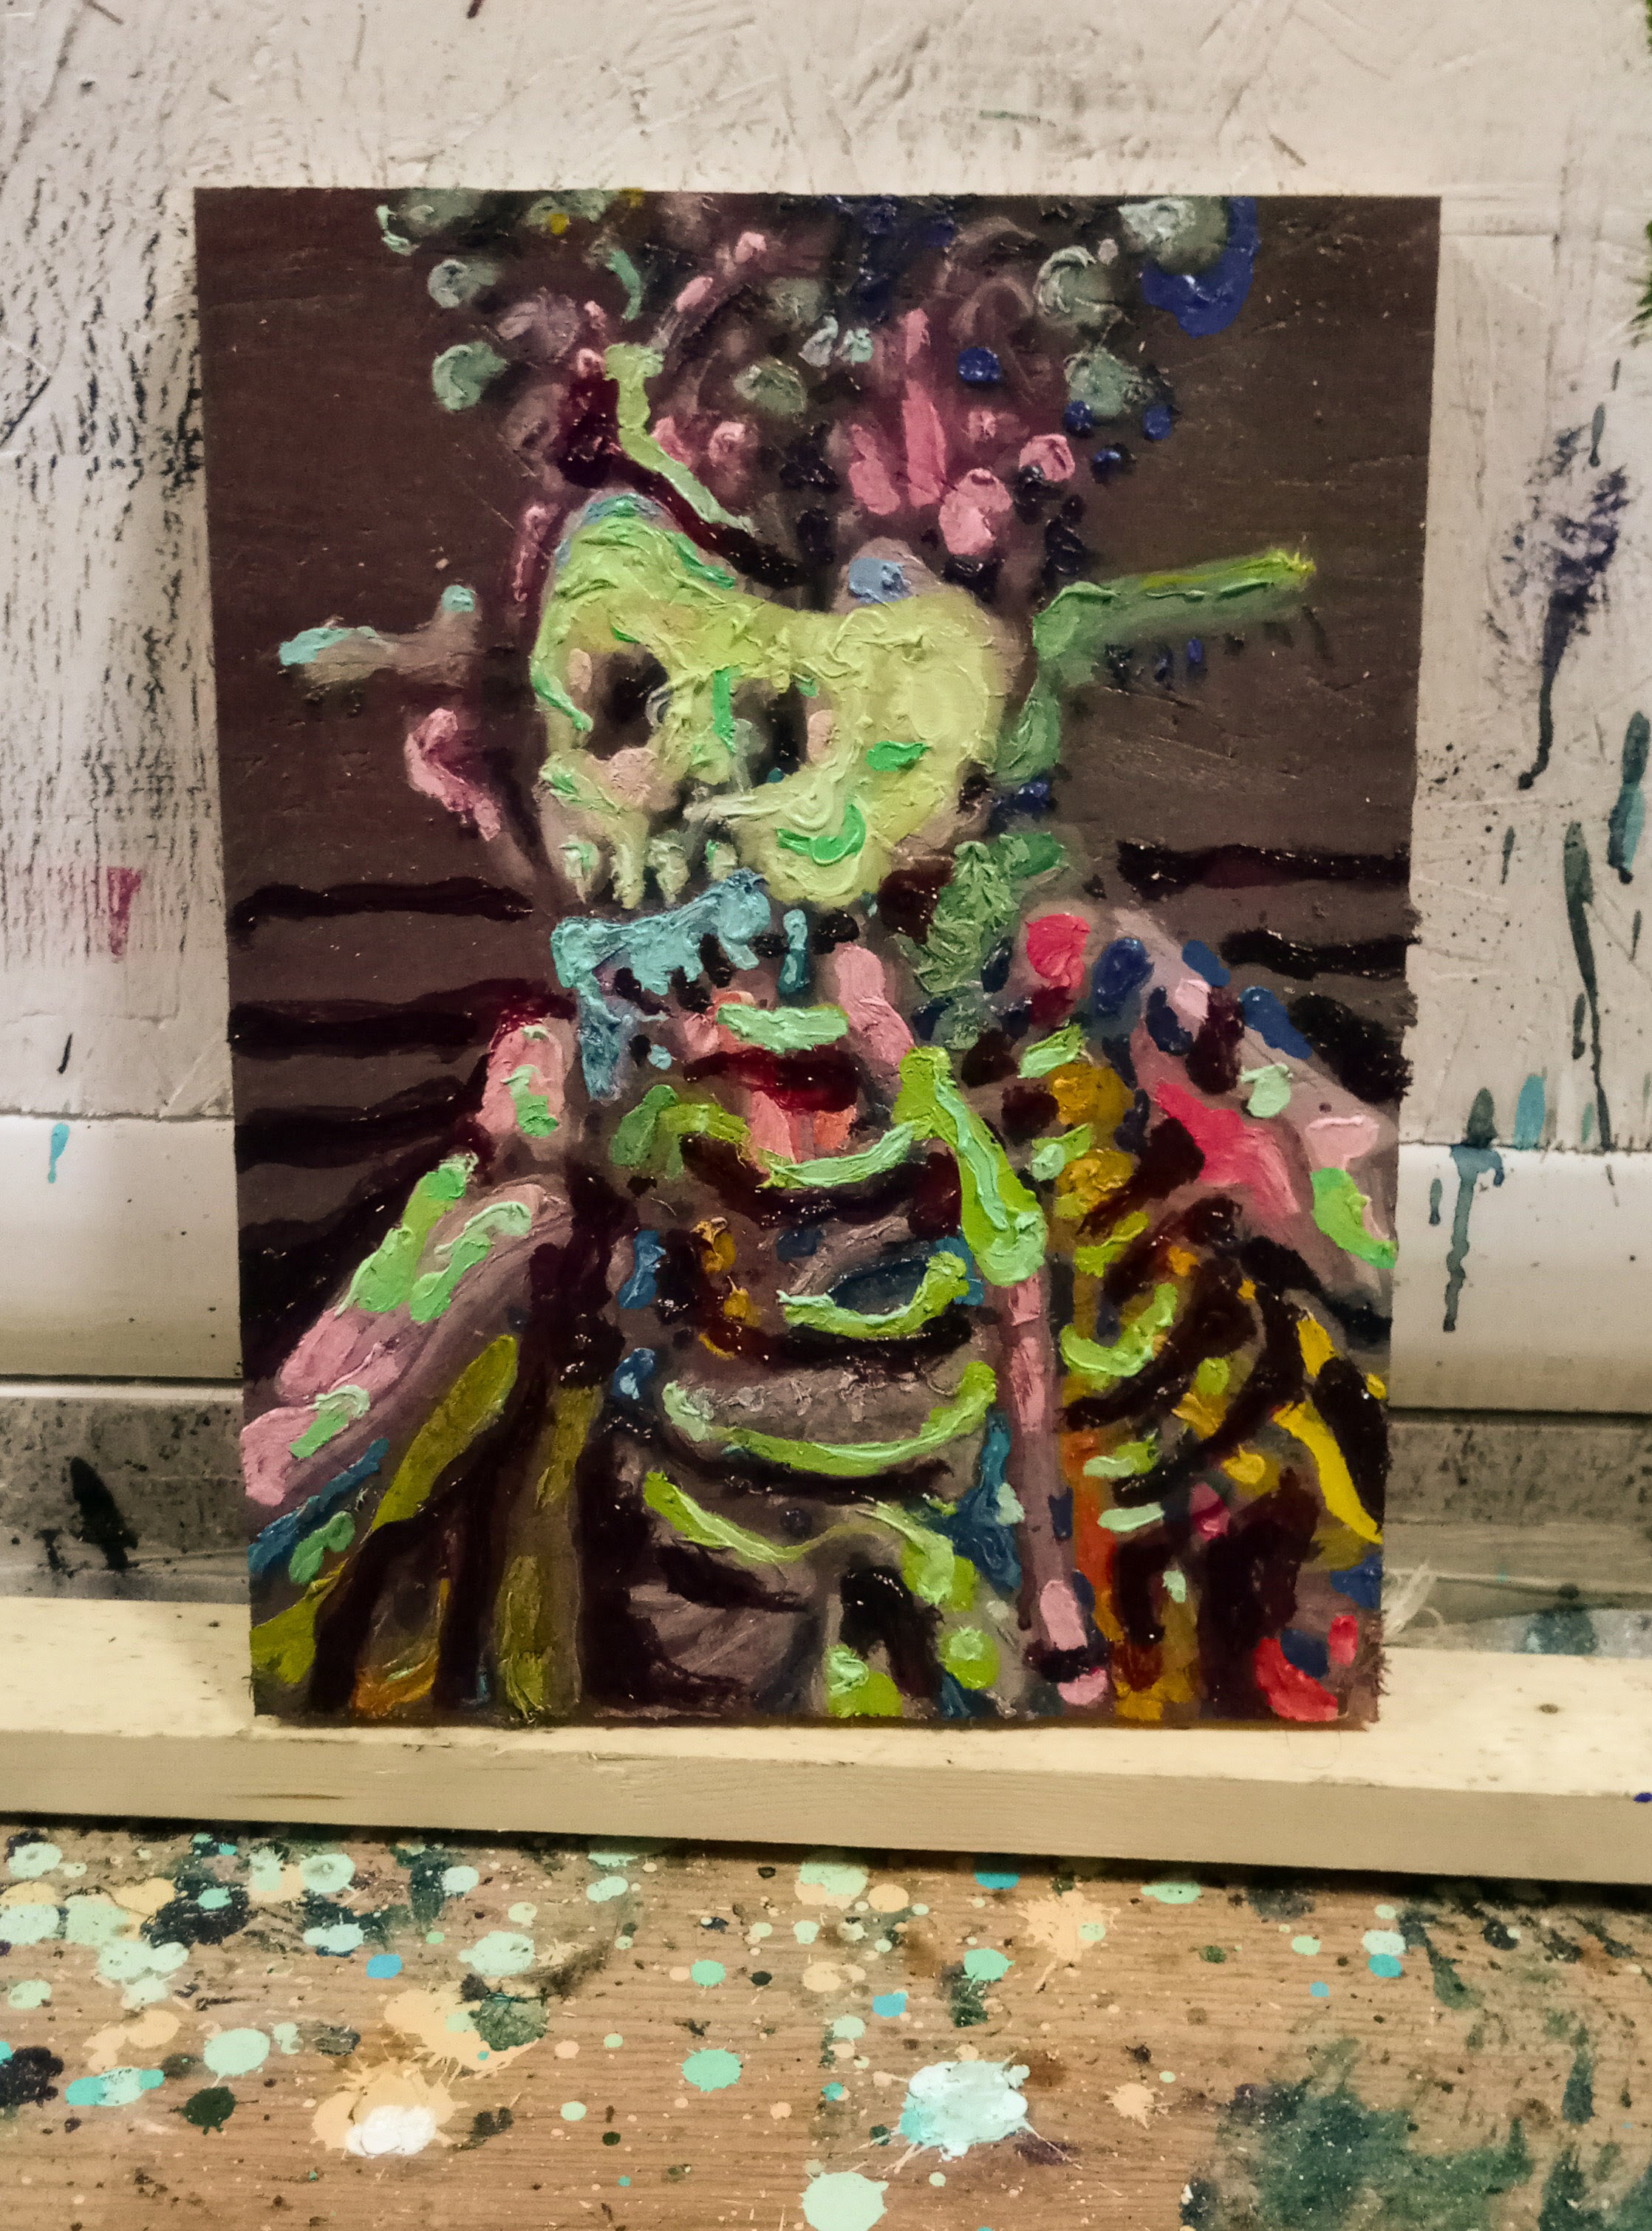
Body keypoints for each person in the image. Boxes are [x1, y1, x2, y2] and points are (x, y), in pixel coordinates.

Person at [243, 192, 1392, 1727]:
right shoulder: (581, 1081)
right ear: (486, 770)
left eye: (798, 710)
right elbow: (351, 1408)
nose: (728, 780)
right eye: (633, 696)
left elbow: (1325, 1179)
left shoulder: (1064, 986)